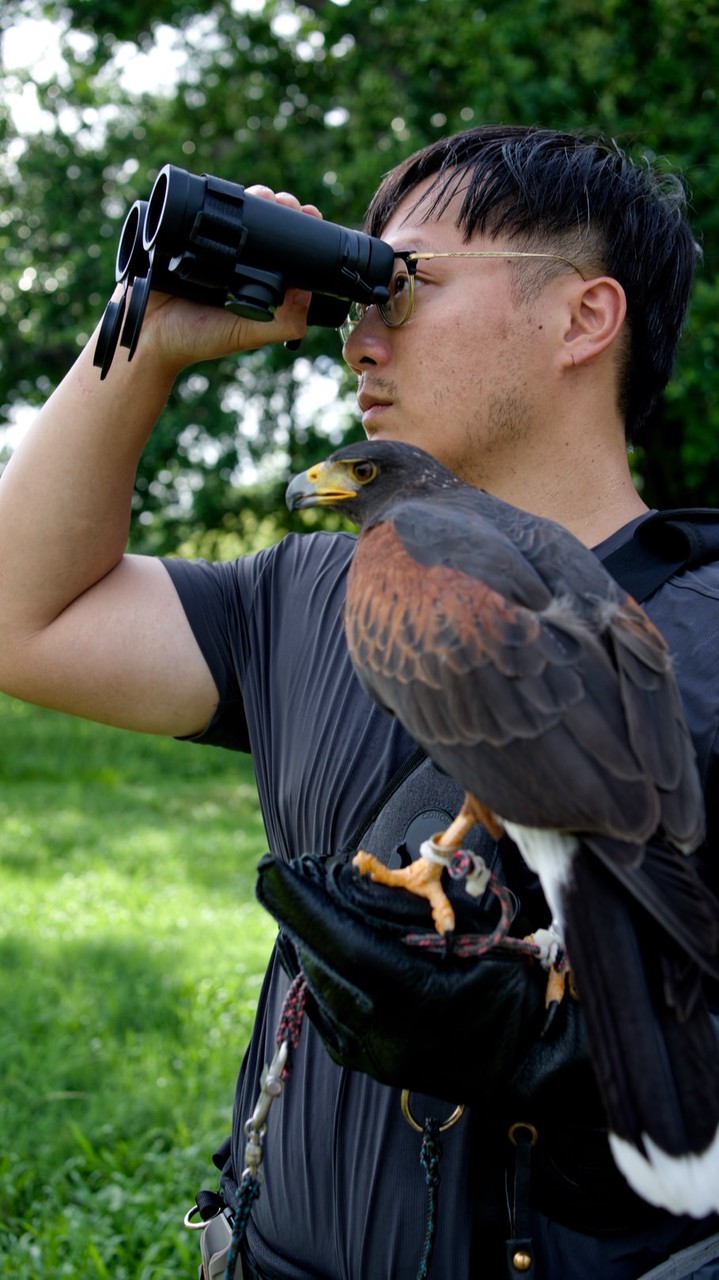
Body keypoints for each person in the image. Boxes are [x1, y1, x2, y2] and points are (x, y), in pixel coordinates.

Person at [0, 124, 718, 1279]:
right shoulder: (309, 589)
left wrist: (570, 1047)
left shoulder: (707, 628)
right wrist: (142, 339)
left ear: (584, 318)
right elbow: (16, 618)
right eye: (354, 285)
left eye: (406, 280)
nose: (358, 337)